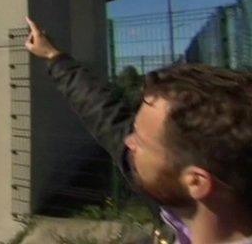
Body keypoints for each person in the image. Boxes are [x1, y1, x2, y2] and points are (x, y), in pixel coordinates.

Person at [24, 16, 252, 244]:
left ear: (196, 182)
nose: (128, 141)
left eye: (140, 141)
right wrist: (54, 57)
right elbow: (106, 116)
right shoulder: (179, 197)